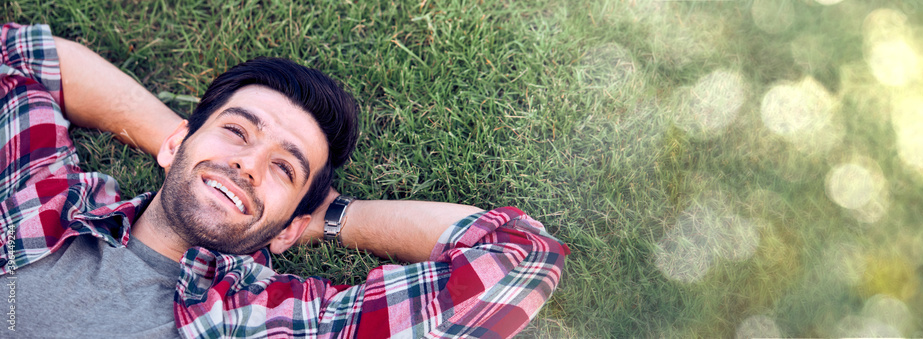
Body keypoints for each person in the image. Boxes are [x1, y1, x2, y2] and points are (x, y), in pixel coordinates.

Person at [0, 23, 568, 338]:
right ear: (175, 143)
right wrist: (180, 146)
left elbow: (521, 256)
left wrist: (328, 220)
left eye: (284, 167)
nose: (248, 165)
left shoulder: (279, 321)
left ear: (290, 227)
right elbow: (15, 57)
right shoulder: (46, 196)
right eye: (237, 132)